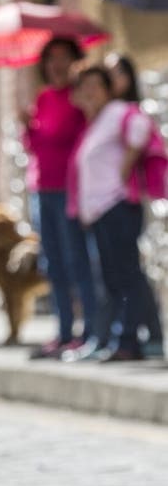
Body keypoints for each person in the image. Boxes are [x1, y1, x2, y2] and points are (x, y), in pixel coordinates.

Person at [67, 65, 160, 362]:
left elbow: (142, 128)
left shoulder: (119, 111)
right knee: (112, 279)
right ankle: (124, 337)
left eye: (95, 85)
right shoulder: (93, 123)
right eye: (84, 86)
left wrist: (125, 167)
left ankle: (129, 341)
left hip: (118, 206)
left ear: (109, 89)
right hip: (100, 212)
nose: (89, 91)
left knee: (127, 275)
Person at [20, 37, 98, 359]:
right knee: (52, 264)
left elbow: (80, 143)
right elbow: (37, 146)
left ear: (75, 60)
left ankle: (90, 331)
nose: (57, 63)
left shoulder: (80, 99)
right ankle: (64, 332)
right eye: (51, 58)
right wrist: (28, 127)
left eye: (64, 57)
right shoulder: (43, 97)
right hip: (42, 190)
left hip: (70, 190)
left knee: (76, 261)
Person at [103, 52, 164, 359]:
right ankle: (145, 334)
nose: (111, 79)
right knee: (123, 272)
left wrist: (120, 175)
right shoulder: (107, 112)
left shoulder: (129, 111)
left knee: (129, 272)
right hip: (110, 203)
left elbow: (137, 143)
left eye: (116, 72)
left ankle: (144, 336)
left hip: (125, 200)